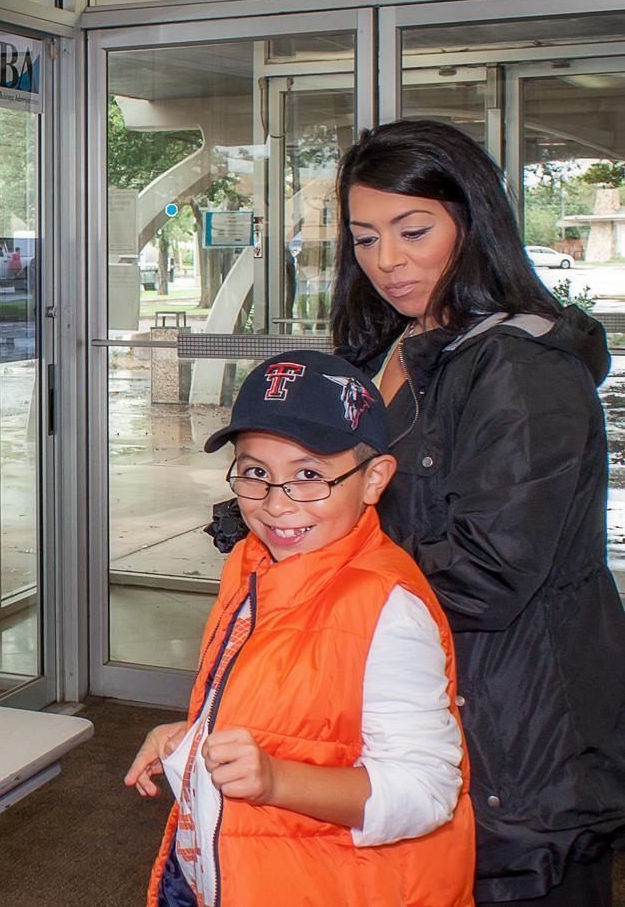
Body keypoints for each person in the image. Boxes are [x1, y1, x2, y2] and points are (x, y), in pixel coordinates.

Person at [331, 118, 625, 906]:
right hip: (427, 712)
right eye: (364, 238)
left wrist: (325, 571)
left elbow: (487, 576)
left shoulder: (521, 371)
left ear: (476, 220)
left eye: (413, 230)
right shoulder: (392, 347)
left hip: (521, 743)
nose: (387, 261)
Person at [126, 350, 474, 907]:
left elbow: (428, 790)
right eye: (256, 473)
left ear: (374, 479)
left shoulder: (387, 608)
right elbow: (288, 713)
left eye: (309, 475)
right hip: (233, 869)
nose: (276, 503)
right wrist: (190, 738)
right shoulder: (252, 564)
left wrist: (276, 780)